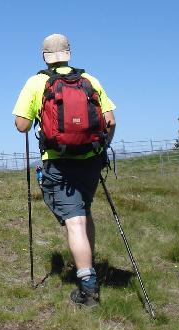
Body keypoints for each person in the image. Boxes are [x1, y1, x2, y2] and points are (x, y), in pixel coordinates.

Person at [12, 33, 116, 307]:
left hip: (58, 160)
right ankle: (89, 267)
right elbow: (111, 121)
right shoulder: (89, 80)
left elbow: (21, 125)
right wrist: (103, 148)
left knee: (75, 221)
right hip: (91, 158)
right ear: (69, 53)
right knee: (85, 211)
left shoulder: (37, 82)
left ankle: (88, 288)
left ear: (44, 56)